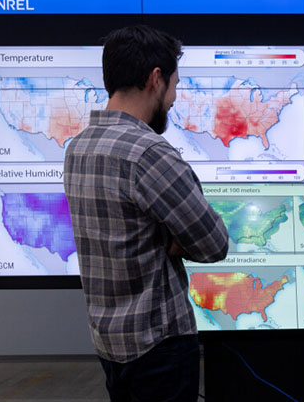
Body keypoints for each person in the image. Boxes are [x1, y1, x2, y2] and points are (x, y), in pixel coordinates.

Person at [63, 25, 229, 402]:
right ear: (155, 79)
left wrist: (163, 235)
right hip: (158, 347)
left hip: (110, 345)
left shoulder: (78, 148)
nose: (173, 99)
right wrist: (169, 238)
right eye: (174, 85)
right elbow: (214, 244)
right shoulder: (148, 153)